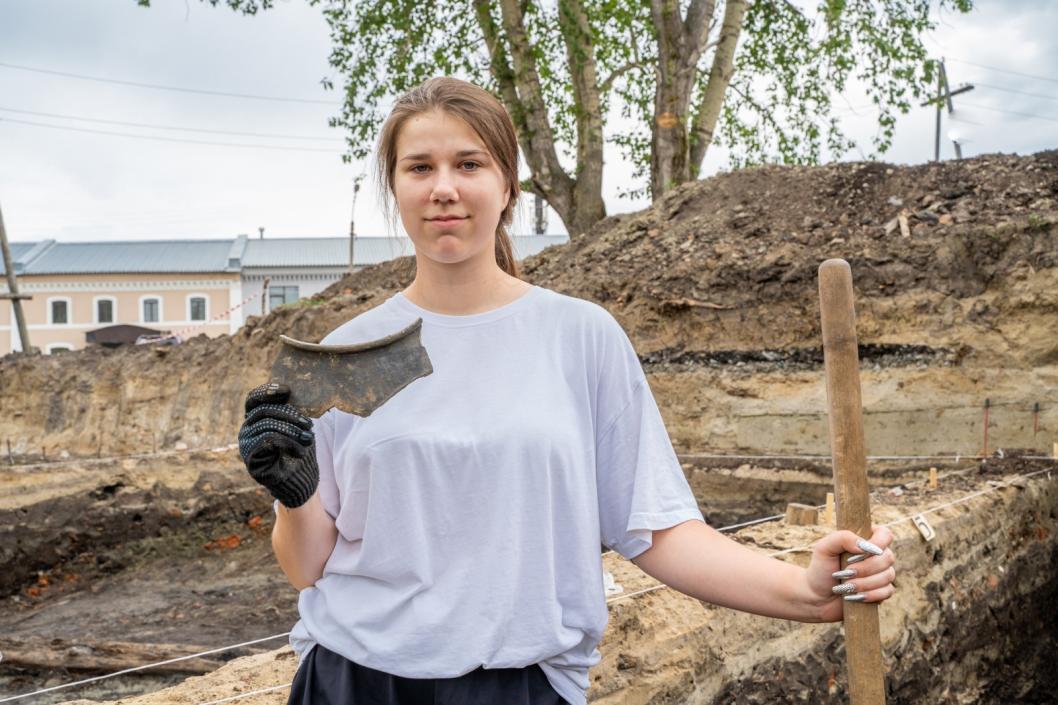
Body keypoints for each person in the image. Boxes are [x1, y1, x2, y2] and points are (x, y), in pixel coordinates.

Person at [237, 76, 897, 705]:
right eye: (419, 168)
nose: (444, 188)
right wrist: (293, 497)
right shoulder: (343, 357)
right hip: (354, 680)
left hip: (517, 686)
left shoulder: (577, 337)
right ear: (395, 185)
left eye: (468, 164)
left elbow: (660, 531)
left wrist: (807, 590)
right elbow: (307, 564)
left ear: (507, 187)